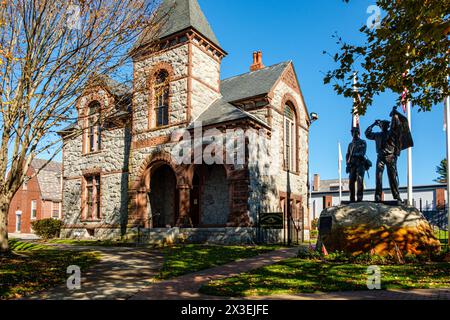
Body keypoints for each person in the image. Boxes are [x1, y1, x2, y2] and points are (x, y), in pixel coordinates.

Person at [365, 119, 402, 204]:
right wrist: (373, 124)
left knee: (392, 177)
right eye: (382, 125)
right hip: (380, 157)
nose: (383, 126)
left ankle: (396, 196)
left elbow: (399, 143)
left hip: (390, 157)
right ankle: (378, 197)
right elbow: (367, 134)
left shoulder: (392, 133)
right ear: (380, 126)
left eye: (385, 125)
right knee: (378, 177)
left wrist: (396, 155)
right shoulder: (377, 135)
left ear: (388, 126)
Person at [346, 127, 367, 202]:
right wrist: (347, 164)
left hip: (360, 164)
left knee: (360, 180)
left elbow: (363, 153)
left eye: (355, 132)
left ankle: (359, 198)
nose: (354, 133)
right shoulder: (350, 144)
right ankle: (352, 199)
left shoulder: (362, 142)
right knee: (351, 182)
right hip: (352, 165)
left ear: (358, 133)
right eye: (352, 132)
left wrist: (355, 154)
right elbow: (347, 155)